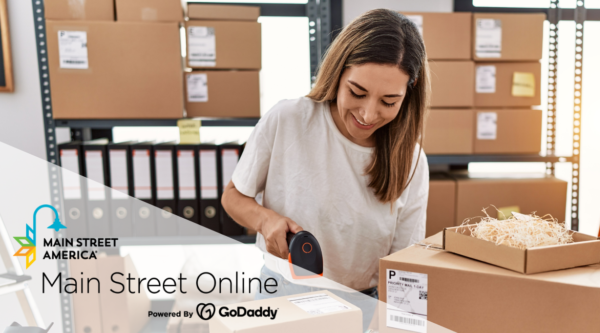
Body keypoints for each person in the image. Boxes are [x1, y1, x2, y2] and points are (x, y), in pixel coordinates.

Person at [221, 8, 430, 330]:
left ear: (409, 92)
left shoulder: (411, 161)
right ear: (338, 73)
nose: (368, 113)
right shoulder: (289, 120)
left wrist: (401, 324)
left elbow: (406, 266)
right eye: (356, 92)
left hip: (361, 304)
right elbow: (234, 196)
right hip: (283, 292)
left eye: (389, 101)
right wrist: (266, 220)